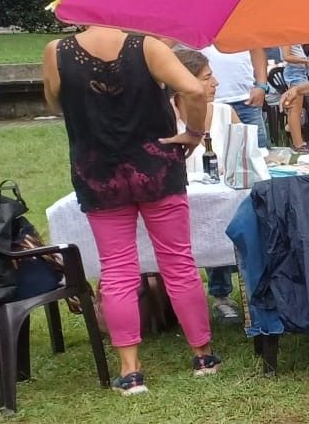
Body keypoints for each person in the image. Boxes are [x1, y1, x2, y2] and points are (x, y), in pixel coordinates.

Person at [42, 26, 218, 393]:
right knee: (178, 262)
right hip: (156, 166)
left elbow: (55, 104)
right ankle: (202, 354)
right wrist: (195, 133)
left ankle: (131, 370)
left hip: (97, 170)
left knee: (117, 268)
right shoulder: (149, 47)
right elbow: (194, 89)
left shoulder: (56, 51)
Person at [202, 44, 269, 141]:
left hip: (246, 99)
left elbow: (257, 49)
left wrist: (262, 86)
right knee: (214, 149)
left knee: (257, 150)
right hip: (210, 103)